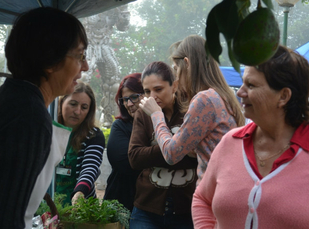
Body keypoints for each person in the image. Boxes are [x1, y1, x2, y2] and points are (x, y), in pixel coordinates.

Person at [192, 45, 309, 229]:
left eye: (251, 85)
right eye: (243, 83)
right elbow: (202, 198)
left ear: (283, 96)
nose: (240, 92)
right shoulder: (230, 143)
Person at [0, 7, 89, 228]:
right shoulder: (28, 118)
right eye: (80, 56)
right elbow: (4, 219)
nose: (85, 67)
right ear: (50, 61)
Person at [139, 35, 245, 184]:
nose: (177, 78)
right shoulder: (222, 96)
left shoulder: (204, 100)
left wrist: (156, 115)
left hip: (212, 191)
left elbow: (171, 154)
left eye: (177, 69)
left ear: (187, 63)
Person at [128, 61, 198, 229]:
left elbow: (202, 157)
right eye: (146, 91)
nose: (152, 97)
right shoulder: (142, 114)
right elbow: (135, 158)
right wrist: (179, 148)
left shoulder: (191, 110)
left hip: (187, 209)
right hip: (147, 209)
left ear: (174, 86)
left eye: (158, 89)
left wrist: (157, 153)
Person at [55, 82, 105, 206]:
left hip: (79, 206)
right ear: (62, 102)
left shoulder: (94, 135)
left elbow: (90, 167)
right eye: (73, 104)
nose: (77, 111)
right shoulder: (49, 130)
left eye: (84, 107)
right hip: (46, 204)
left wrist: (80, 192)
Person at [104, 73, 144, 211]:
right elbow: (125, 163)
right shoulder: (120, 125)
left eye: (134, 97)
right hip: (120, 202)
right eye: (125, 100)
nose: (129, 104)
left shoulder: (160, 124)